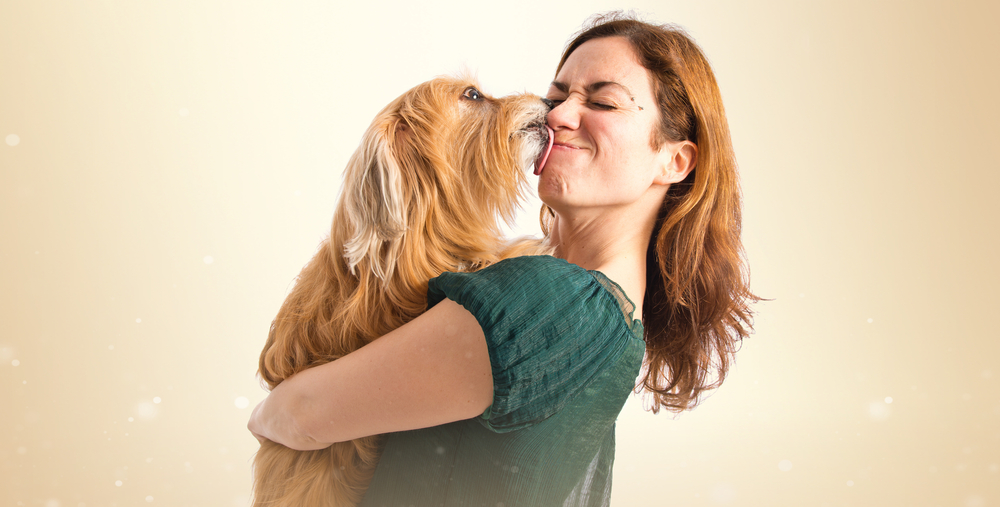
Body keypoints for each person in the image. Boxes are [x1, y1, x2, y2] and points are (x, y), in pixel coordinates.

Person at [248, 13, 756, 506]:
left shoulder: (555, 302)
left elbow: (298, 413)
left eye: (603, 102)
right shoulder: (599, 313)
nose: (555, 115)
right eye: (556, 97)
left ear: (675, 160)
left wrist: (269, 410)